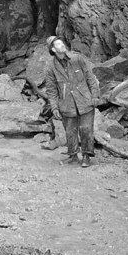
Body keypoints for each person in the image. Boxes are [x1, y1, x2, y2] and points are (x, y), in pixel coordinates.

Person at [43, 35, 100, 167]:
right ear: (52, 49)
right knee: (70, 130)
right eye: (58, 44)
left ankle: (86, 156)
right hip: (66, 103)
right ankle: (73, 155)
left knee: (86, 129)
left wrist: (95, 95)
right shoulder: (50, 67)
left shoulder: (77, 58)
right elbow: (51, 90)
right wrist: (54, 107)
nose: (62, 45)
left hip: (85, 100)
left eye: (61, 42)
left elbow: (90, 77)